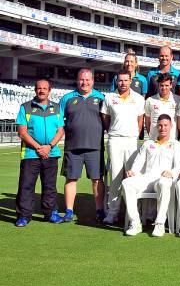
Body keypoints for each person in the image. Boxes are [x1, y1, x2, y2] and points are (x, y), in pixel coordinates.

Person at [122, 114, 180, 237]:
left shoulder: (176, 144)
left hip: (164, 179)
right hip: (147, 178)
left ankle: (160, 223)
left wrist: (171, 173)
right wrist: (133, 171)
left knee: (163, 182)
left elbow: (178, 166)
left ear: (171, 126)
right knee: (126, 183)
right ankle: (135, 222)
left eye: (166, 125)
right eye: (160, 125)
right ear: (156, 127)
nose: (163, 128)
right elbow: (138, 162)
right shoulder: (148, 143)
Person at [15, 79, 65, 227]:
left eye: (45, 88)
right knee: (26, 186)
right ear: (35, 90)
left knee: (50, 186)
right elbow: (22, 133)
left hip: (51, 153)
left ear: (50, 91)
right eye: (39, 88)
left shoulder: (56, 108)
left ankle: (50, 213)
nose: (42, 91)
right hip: (31, 154)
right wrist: (39, 147)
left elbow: (60, 130)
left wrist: (49, 146)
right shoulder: (25, 108)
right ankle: (24, 216)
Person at [59, 68, 106, 222]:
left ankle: (99, 210)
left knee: (97, 179)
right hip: (73, 147)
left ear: (92, 81)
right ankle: (69, 211)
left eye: (87, 80)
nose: (84, 82)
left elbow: (107, 121)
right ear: (77, 80)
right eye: (81, 79)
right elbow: (59, 122)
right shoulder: (67, 98)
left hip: (95, 147)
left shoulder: (101, 98)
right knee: (71, 179)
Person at [100, 70, 145, 224]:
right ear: (117, 81)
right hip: (115, 140)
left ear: (130, 80)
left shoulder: (138, 99)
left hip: (131, 141)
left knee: (132, 175)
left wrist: (133, 134)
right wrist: (114, 131)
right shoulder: (109, 97)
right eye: (120, 81)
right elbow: (105, 119)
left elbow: (140, 121)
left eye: (126, 80)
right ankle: (113, 212)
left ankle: (133, 211)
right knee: (115, 176)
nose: (123, 83)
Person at [145, 73, 180, 140]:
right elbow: (147, 123)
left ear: (171, 85)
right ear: (158, 86)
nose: (164, 88)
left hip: (172, 140)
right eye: (161, 85)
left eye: (166, 85)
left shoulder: (178, 100)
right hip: (154, 140)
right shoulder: (150, 100)